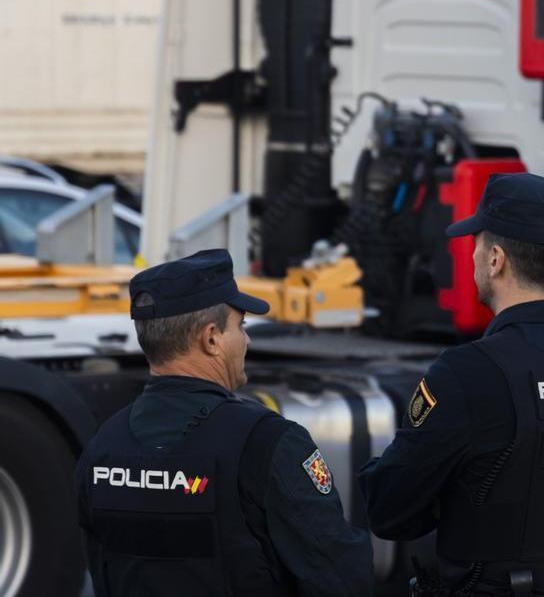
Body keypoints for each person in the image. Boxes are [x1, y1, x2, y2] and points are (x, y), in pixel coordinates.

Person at [359, 173, 544, 596]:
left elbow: (390, 510)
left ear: (495, 259)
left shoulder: (468, 374)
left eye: (476, 244)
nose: (473, 255)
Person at [75, 248, 374, 597]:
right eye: (241, 325)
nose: (246, 339)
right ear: (212, 338)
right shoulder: (267, 442)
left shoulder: (102, 448)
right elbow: (339, 577)